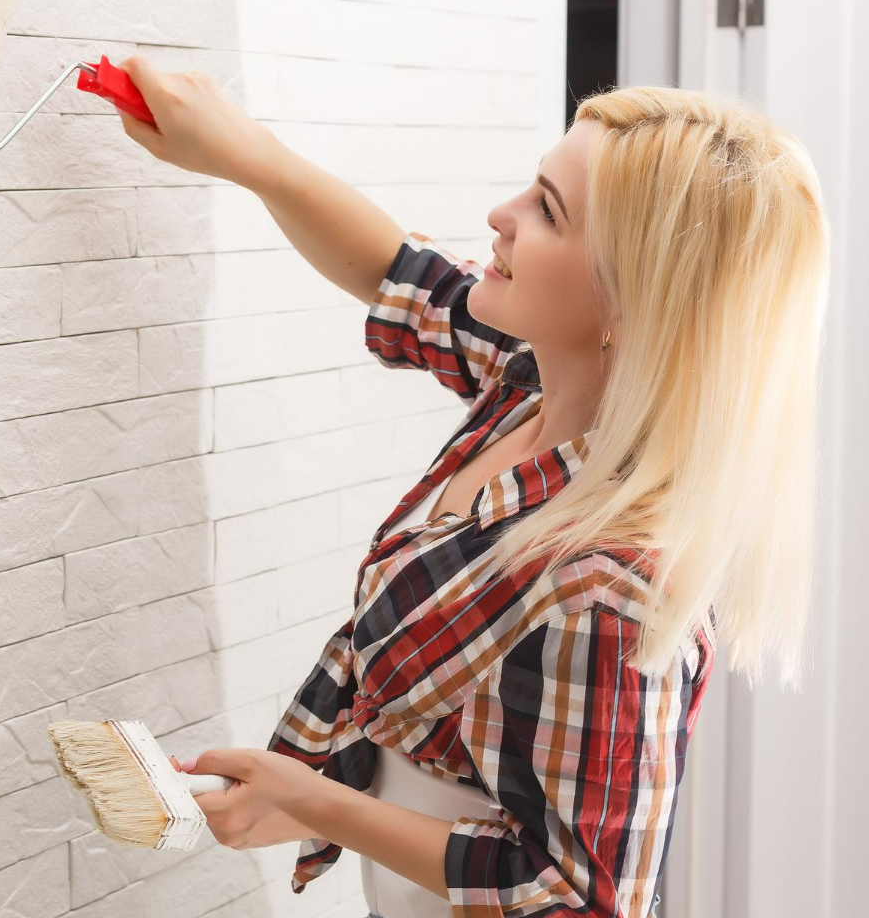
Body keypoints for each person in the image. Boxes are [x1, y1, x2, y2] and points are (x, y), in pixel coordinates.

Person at [117, 54, 832, 917]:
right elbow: (398, 274)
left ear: (629, 299)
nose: (501, 216)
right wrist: (243, 154)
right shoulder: (532, 386)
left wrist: (308, 798)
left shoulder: (611, 587)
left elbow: (574, 895)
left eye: (548, 212)